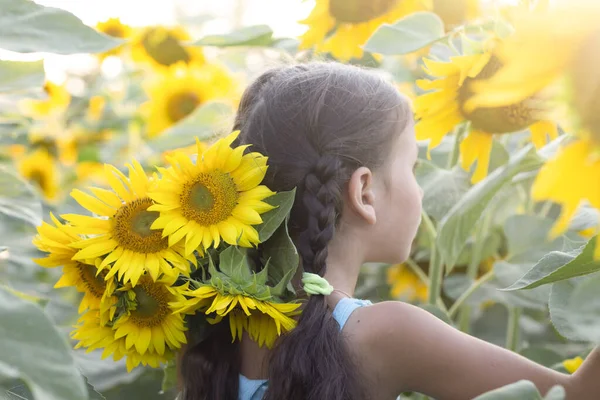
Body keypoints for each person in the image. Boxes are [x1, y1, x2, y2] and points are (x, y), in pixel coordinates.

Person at [177, 62, 600, 400]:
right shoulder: (385, 333)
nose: (419, 189)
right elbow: (575, 396)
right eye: (413, 169)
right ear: (363, 192)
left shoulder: (217, 319)